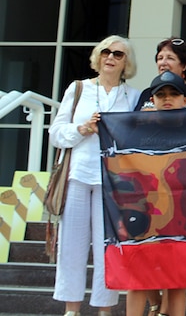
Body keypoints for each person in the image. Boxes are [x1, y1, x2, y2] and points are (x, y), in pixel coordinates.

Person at [49, 35, 141, 316]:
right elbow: (56, 134)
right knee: (71, 247)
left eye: (118, 54)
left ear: (126, 62)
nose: (110, 57)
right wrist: (83, 129)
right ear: (98, 56)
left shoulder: (133, 96)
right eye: (105, 52)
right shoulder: (78, 89)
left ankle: (104, 310)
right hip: (78, 175)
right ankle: (71, 310)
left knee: (108, 250)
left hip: (114, 182)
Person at [125, 71, 186, 316]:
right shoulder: (135, 130)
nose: (167, 99)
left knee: (178, 280)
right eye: (161, 94)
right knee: (138, 278)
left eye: (174, 94)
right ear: (151, 100)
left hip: (183, 217)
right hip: (145, 216)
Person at [134, 37, 186, 110]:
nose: (163, 63)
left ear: (184, 66)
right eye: (160, 58)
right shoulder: (146, 93)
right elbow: (133, 122)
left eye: (170, 58)